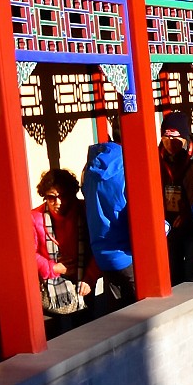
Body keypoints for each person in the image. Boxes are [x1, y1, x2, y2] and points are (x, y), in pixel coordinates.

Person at [82, 116, 135, 309]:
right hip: (128, 252)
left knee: (117, 314)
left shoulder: (91, 166)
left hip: (101, 253)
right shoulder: (129, 165)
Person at [32, 169, 94, 332]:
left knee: (87, 331)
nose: (58, 202)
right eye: (51, 197)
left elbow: (97, 244)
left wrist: (90, 276)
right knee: (55, 335)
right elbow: (29, 255)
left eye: (64, 196)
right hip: (51, 287)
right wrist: (53, 268)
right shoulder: (35, 217)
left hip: (83, 281)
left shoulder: (85, 211)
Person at [159, 112, 193, 283]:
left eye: (175, 139)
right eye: (166, 139)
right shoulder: (158, 156)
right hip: (168, 220)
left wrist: (187, 213)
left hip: (192, 219)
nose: (170, 144)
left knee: (192, 270)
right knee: (172, 270)